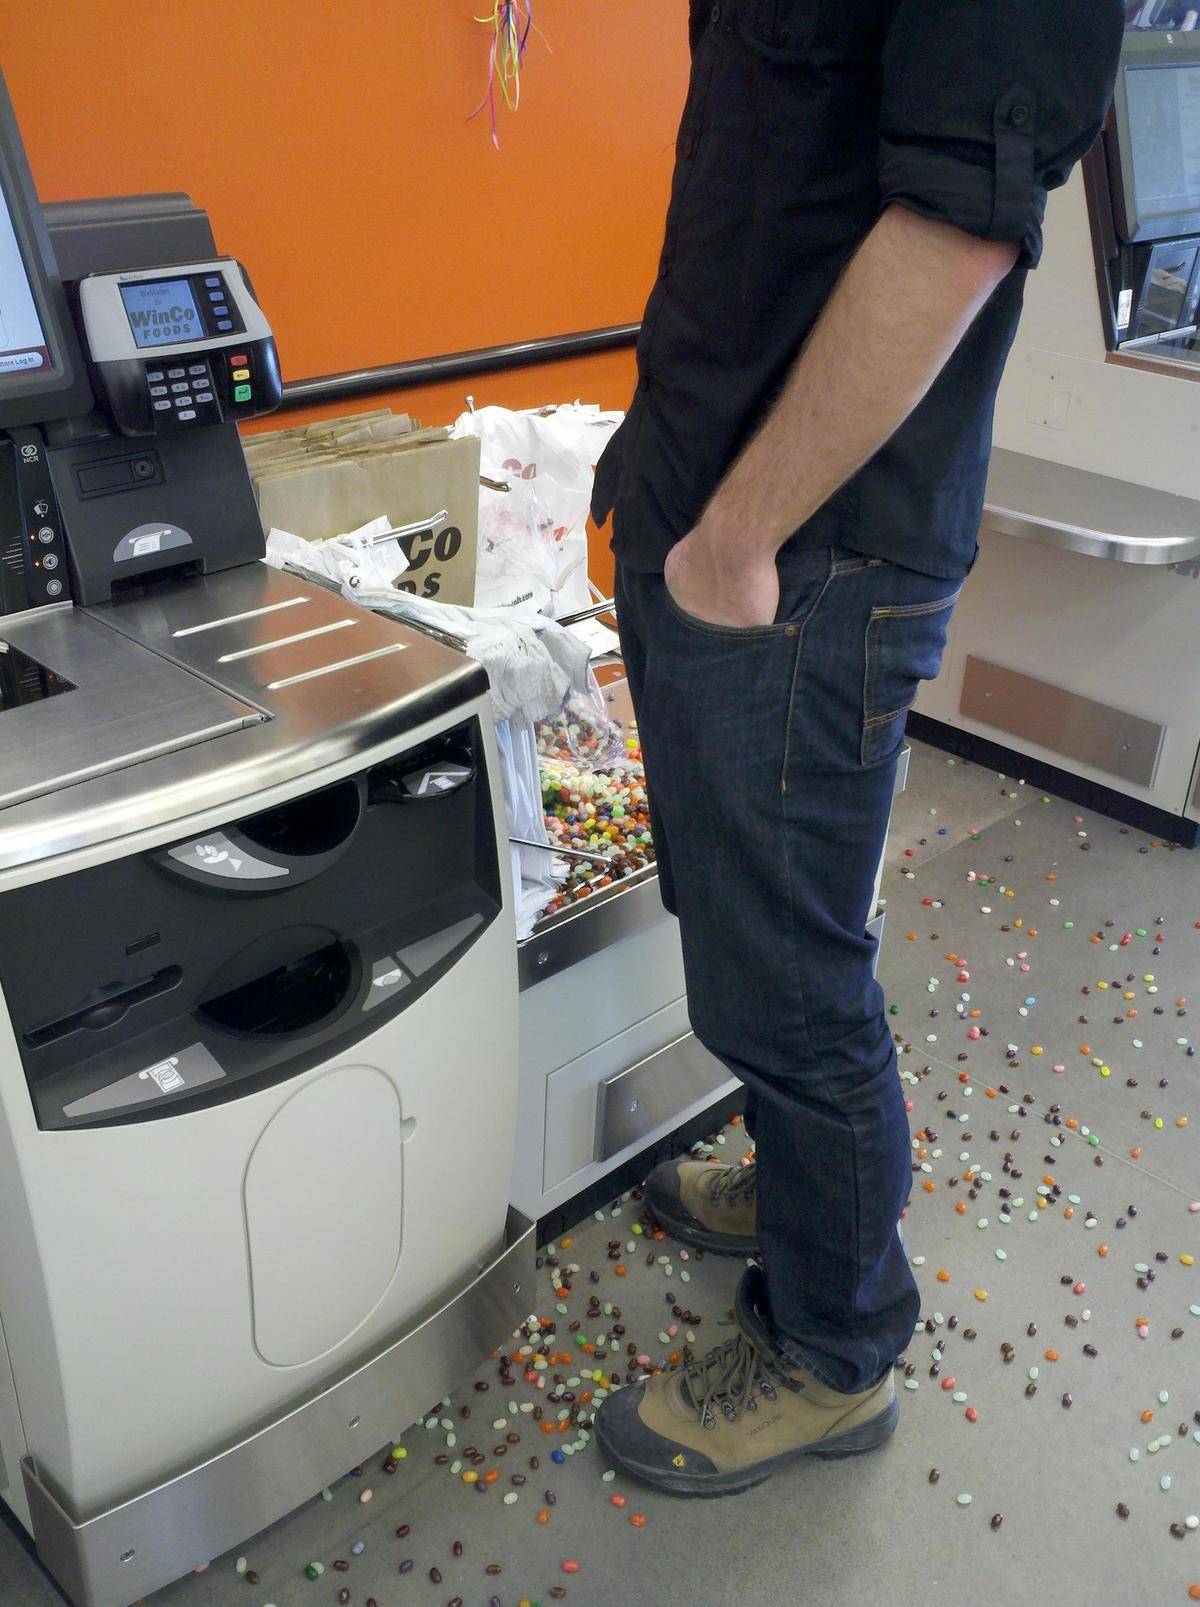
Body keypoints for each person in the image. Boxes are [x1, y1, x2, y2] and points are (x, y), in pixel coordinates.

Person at [591, 0, 1125, 1497]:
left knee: (788, 981)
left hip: (805, 553)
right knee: (743, 916)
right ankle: (800, 1198)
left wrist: (739, 545)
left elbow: (957, 232)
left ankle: (834, 1347)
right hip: (718, 502)